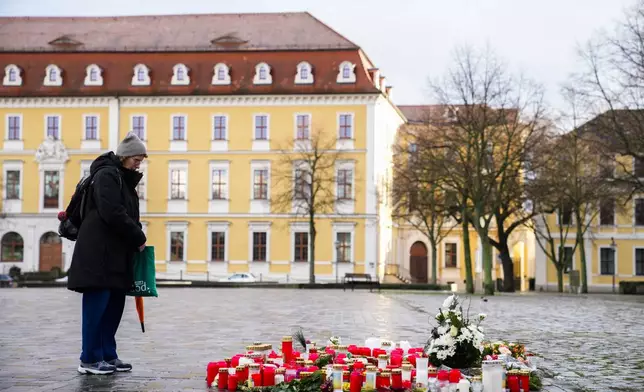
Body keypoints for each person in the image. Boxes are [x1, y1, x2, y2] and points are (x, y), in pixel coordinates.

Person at [67, 132, 147, 375]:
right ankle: (89, 359)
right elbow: (112, 212)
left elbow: (127, 214)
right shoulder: (106, 175)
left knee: (113, 309)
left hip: (115, 256)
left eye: (141, 159)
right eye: (136, 157)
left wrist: (134, 233)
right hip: (98, 256)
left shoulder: (123, 179)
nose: (139, 162)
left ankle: (108, 356)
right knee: (96, 309)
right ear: (124, 156)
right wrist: (138, 236)